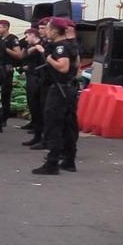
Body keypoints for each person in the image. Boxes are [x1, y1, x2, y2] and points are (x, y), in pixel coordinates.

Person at [31, 18, 79, 175]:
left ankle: (52, 163)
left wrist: (49, 58)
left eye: (48, 28)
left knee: (54, 126)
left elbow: (63, 67)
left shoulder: (60, 47)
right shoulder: (71, 45)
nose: (46, 32)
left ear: (55, 30)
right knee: (68, 126)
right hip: (69, 89)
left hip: (59, 90)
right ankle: (69, 161)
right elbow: (77, 65)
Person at [21, 29, 45, 147]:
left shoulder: (43, 45)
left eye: (27, 37)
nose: (26, 40)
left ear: (32, 35)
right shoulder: (30, 47)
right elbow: (23, 57)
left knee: (39, 108)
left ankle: (42, 137)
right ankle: (37, 135)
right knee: (33, 107)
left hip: (39, 79)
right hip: (31, 77)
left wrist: (38, 48)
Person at [0, 20, 20, 126]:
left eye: (0, 27)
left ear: (6, 27)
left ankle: (4, 118)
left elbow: (18, 54)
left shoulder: (12, 39)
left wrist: (6, 49)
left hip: (7, 69)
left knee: (5, 94)